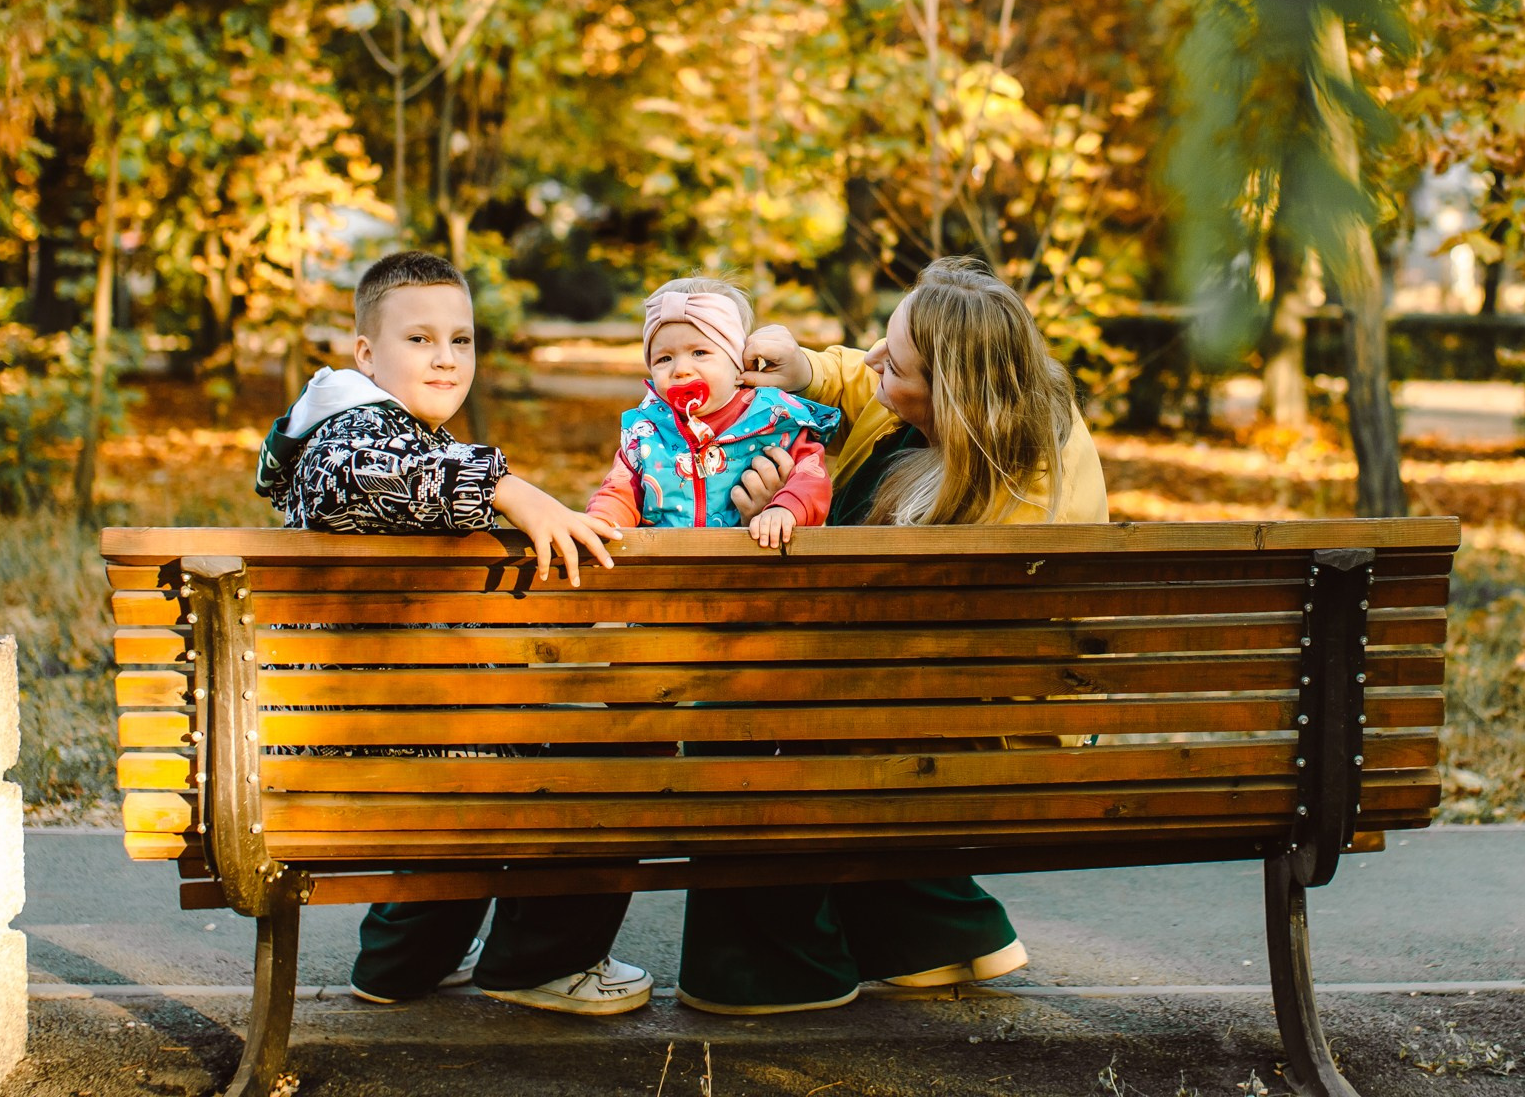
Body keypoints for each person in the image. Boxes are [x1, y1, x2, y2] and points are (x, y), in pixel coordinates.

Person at [672, 256, 1110, 1015]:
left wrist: (774, 528)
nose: (874, 361)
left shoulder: (1017, 497)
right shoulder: (985, 399)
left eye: (895, 363)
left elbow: (886, 640)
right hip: (917, 682)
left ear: (952, 394)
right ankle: (934, 937)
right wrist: (807, 366)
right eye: (883, 341)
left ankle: (774, 972)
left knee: (739, 720)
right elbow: (866, 378)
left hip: (979, 710)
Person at [252, 250, 653, 1015]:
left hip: (388, 732)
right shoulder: (349, 434)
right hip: (385, 747)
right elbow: (357, 476)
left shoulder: (387, 431)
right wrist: (508, 487)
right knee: (617, 746)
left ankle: (402, 961)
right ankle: (542, 962)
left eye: (460, 340)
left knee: (493, 728)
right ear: (365, 354)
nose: (445, 358)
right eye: (420, 339)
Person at [586, 277, 839, 544]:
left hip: (751, 558)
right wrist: (603, 520)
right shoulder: (646, 432)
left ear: (738, 363)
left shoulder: (774, 420)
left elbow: (811, 476)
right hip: (665, 558)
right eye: (664, 358)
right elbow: (620, 491)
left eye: (699, 353)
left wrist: (785, 509)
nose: (681, 369)